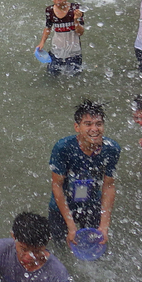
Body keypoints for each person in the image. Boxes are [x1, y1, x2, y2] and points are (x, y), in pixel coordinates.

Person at [48, 100, 120, 244]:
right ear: (77, 127)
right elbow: (57, 185)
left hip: (92, 204)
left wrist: (104, 227)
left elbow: (109, 186)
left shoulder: (111, 149)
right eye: (88, 124)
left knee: (97, 243)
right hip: (62, 207)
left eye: (98, 124)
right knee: (60, 244)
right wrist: (71, 226)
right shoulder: (63, 148)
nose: (94, 129)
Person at [35, 0, 85, 76]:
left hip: (74, 52)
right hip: (56, 51)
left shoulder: (75, 9)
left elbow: (80, 32)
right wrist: (42, 42)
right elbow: (48, 28)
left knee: (74, 78)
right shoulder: (49, 10)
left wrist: (76, 20)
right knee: (51, 75)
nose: (57, 1)